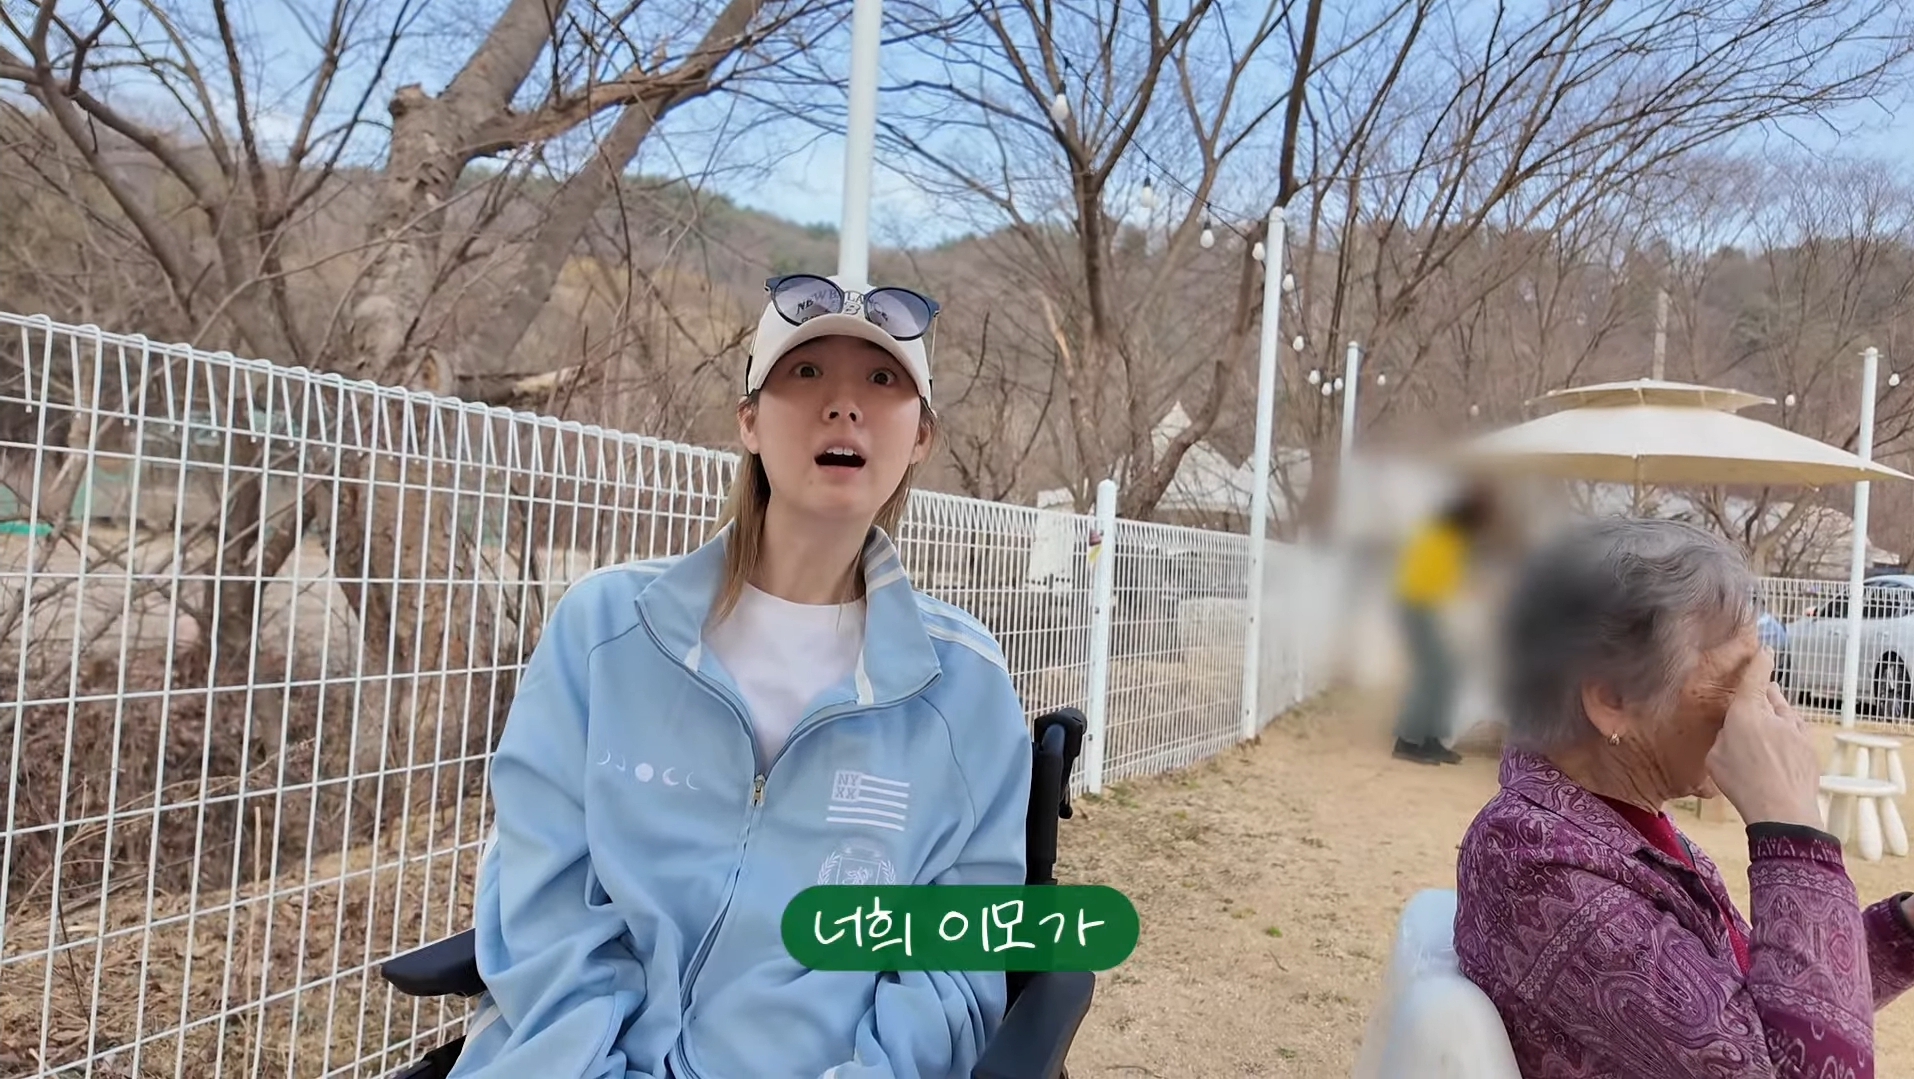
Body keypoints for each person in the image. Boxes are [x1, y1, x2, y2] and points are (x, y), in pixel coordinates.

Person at [445, 273, 1034, 1079]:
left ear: (921, 436)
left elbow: (952, 965)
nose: (844, 405)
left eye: (881, 378)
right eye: (806, 372)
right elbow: (540, 905)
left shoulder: (965, 685)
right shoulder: (604, 631)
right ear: (749, 421)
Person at [1453, 516, 1914, 1078]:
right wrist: (1792, 827)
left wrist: (1905, 929)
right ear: (1613, 699)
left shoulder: (1608, 832)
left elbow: (1774, 1004)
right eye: (1740, 682)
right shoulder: (1538, 865)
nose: (1766, 711)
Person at [1388, 484, 1494, 764]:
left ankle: (1431, 738)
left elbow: (1456, 582)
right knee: (1433, 674)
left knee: (1446, 675)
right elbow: (1436, 582)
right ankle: (1408, 741)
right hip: (1417, 607)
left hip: (1426, 608)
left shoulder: (1451, 538)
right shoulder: (1441, 536)